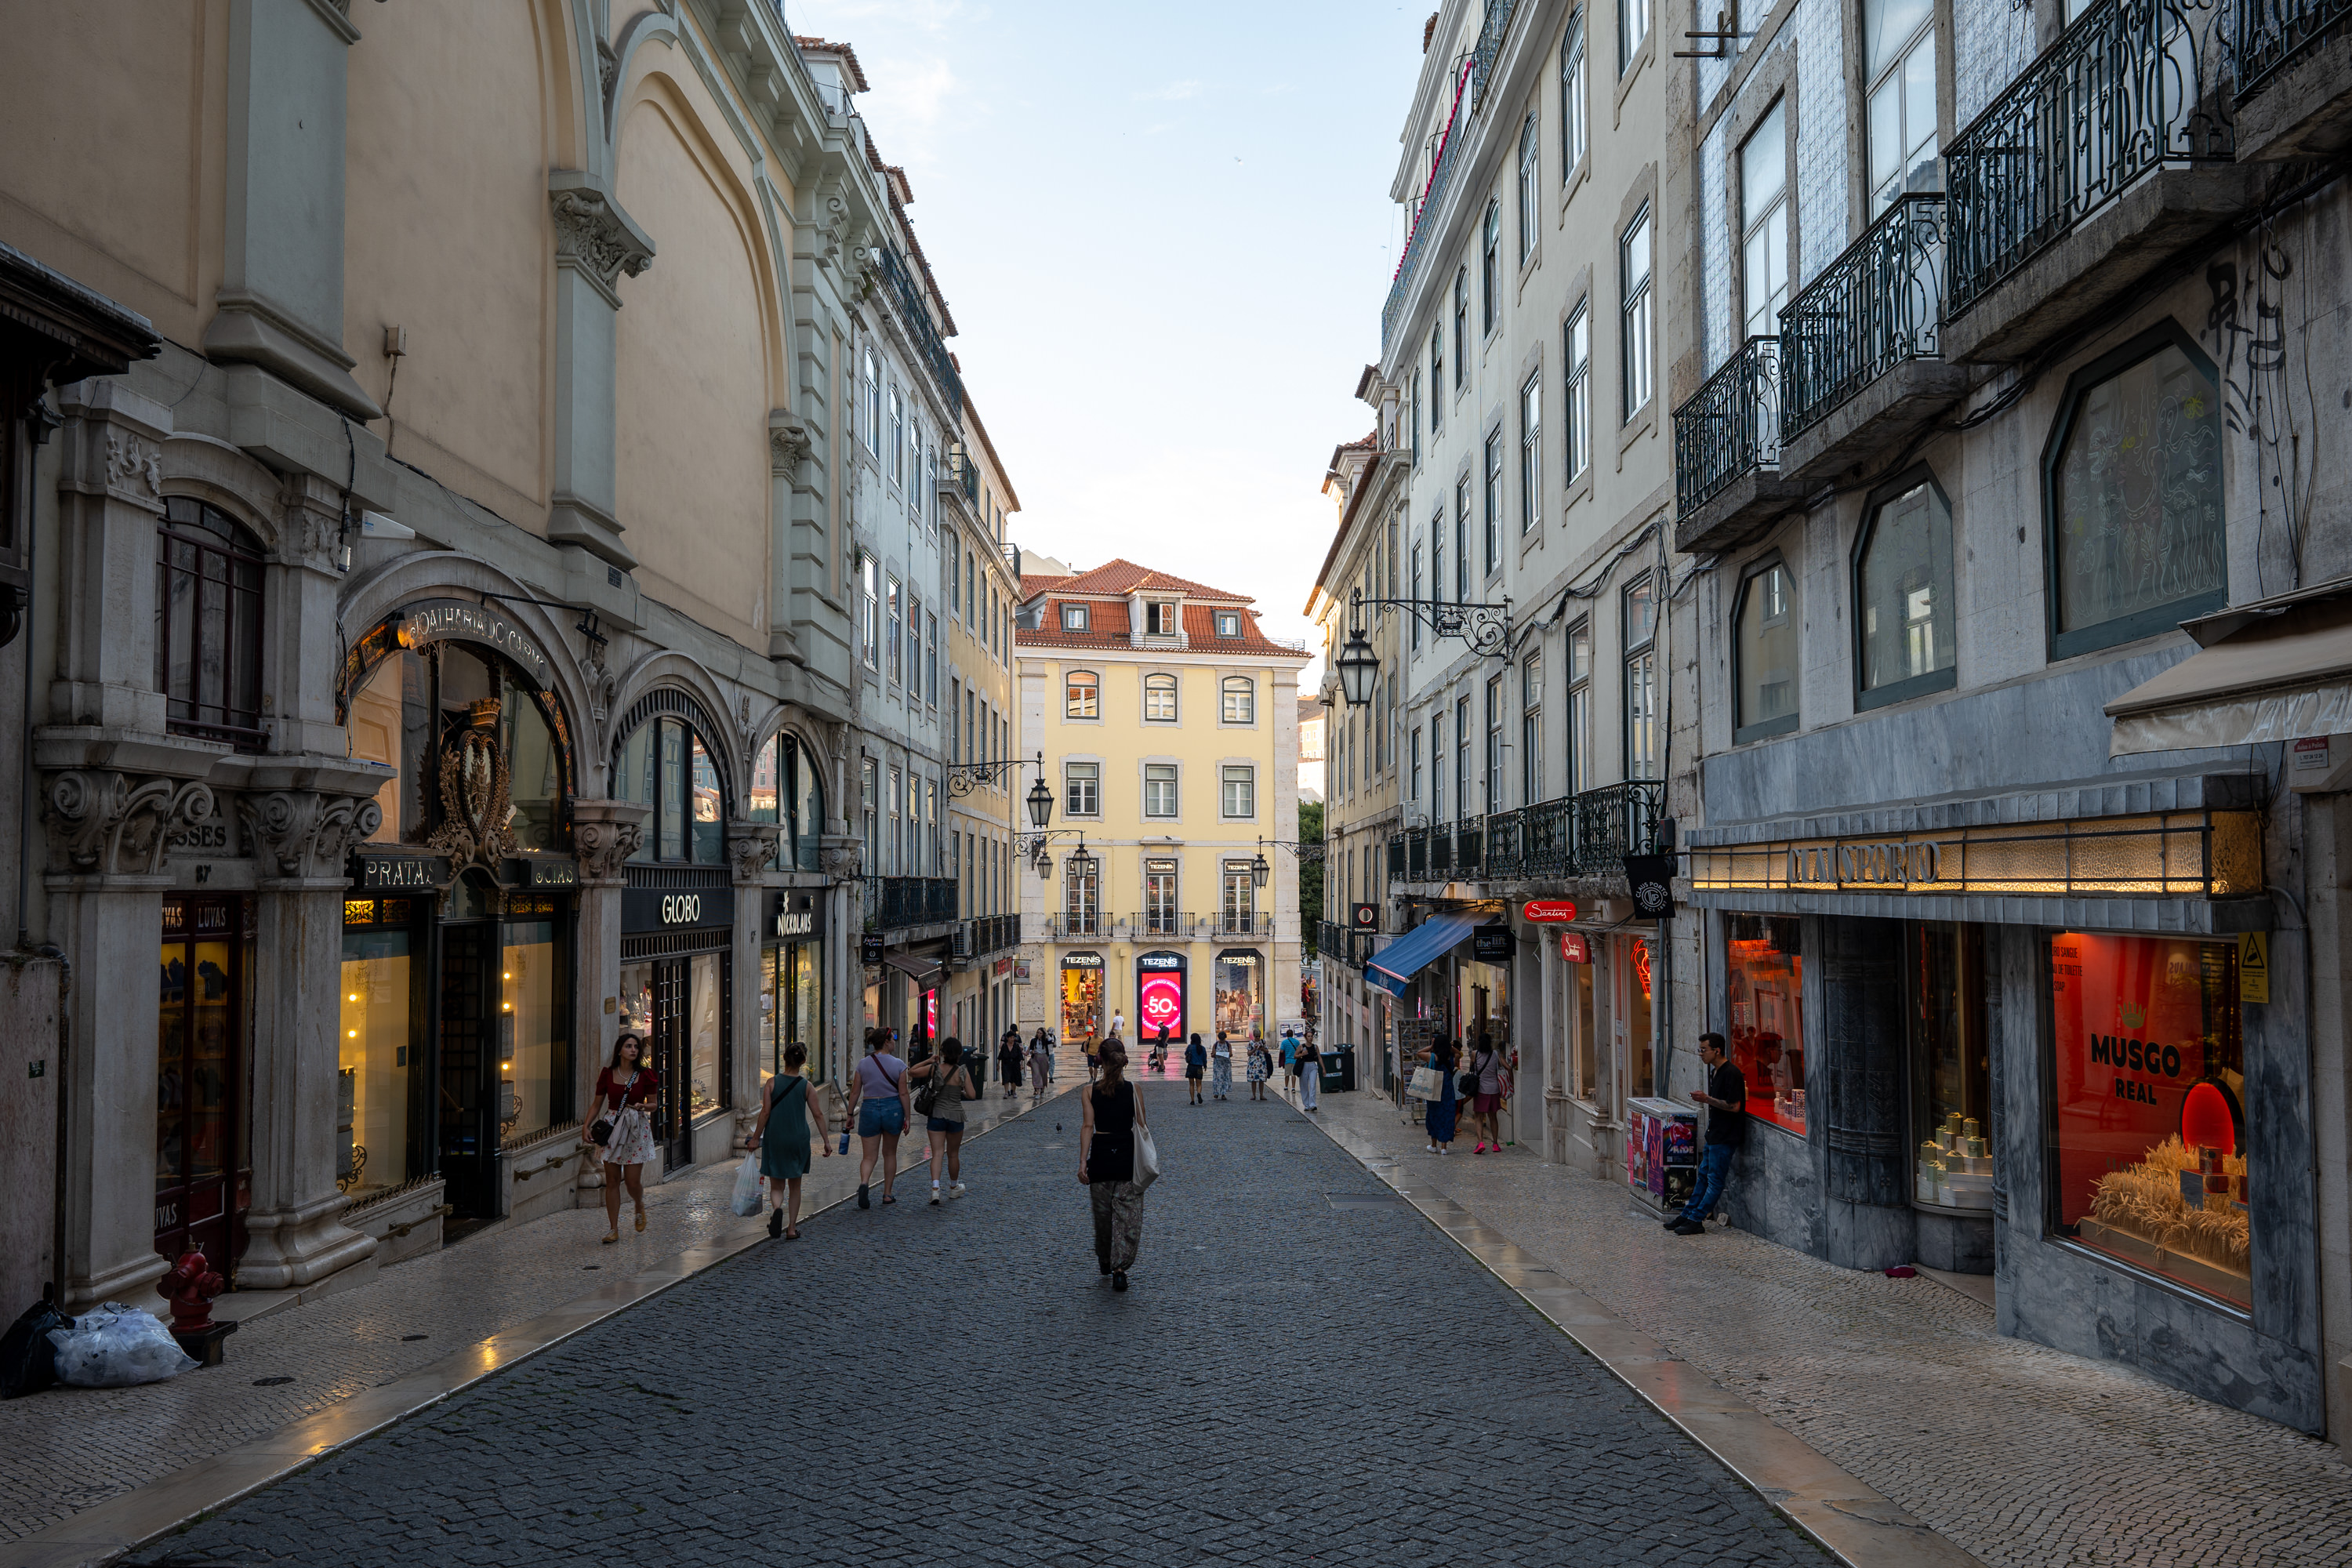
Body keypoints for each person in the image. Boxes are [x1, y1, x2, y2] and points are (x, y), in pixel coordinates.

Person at [1079, 1039, 1149, 1291]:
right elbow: (1142, 1126)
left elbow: (1088, 1127)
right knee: (1127, 1216)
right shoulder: (1134, 1089)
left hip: (1100, 1158)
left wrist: (1082, 1162)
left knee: (1103, 1217)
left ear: (1101, 1062)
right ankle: (1120, 1269)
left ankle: (1105, 1259)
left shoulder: (1089, 1091)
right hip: (1128, 1159)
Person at [581, 1033, 659, 1244]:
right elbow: (597, 1104)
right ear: (619, 1050)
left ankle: (639, 1204)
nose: (633, 1050)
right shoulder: (607, 1074)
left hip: (635, 1127)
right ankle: (613, 1229)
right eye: (628, 1046)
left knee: (632, 1182)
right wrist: (586, 1126)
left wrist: (643, 1106)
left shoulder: (646, 1075)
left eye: (636, 1047)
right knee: (612, 1181)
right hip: (613, 1129)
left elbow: (654, 1104)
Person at [748, 1043, 830, 1239]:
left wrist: (755, 1138)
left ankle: (777, 1209)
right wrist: (826, 1141)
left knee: (777, 1185)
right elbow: (818, 1114)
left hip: (775, 1137)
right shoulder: (807, 1086)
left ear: (784, 1058)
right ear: (803, 1061)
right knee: (795, 1186)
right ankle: (792, 1229)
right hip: (798, 1138)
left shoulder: (771, 1083)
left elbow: (765, 1113)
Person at [1672, 1033, 1746, 1236]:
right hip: (1714, 1134)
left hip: (1725, 1136)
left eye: (1704, 1050)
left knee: (1714, 1180)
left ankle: (1696, 1219)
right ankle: (1687, 1215)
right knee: (1703, 1177)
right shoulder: (1716, 1072)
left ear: (1717, 1050)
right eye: (1700, 1050)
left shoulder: (1731, 1073)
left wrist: (1706, 1099)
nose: (1701, 1054)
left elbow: (1734, 1106)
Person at [848, 1027, 911, 1208]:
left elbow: (855, 1092)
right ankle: (887, 1194)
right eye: (893, 1039)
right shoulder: (899, 1065)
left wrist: (850, 1114)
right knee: (889, 1154)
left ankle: (864, 1183)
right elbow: (904, 1093)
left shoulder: (862, 1065)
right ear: (886, 1042)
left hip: (869, 1108)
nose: (894, 1042)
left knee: (869, 1157)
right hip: (892, 1108)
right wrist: (907, 1117)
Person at [909, 1038, 977, 1205]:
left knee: (937, 1153)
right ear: (959, 1054)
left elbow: (912, 1072)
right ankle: (954, 1188)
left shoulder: (935, 1069)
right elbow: (972, 1095)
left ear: (943, 1053)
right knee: (953, 1154)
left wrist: (929, 1060)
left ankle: (935, 1190)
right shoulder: (962, 1071)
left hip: (937, 1116)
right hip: (956, 1117)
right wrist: (961, 1092)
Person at [1470, 1033, 1507, 1154]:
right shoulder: (1496, 1054)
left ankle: (1480, 1142)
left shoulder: (1475, 1054)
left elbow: (1472, 1068)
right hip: (1494, 1089)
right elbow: (1506, 1067)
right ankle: (1495, 1144)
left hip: (1480, 1090)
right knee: (1493, 1117)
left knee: (1479, 1117)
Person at [1425, 1037, 1458, 1154]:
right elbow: (1459, 1053)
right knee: (1446, 1117)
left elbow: (1419, 1053)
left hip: (1434, 1091)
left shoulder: (1432, 1057)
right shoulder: (1452, 1058)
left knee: (1434, 1116)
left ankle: (1434, 1145)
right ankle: (1444, 1147)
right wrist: (1450, 1047)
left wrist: (1431, 1046)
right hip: (1448, 1091)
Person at [1295, 1031, 1321, 1112]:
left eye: (1311, 1036)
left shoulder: (1315, 1047)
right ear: (1306, 1037)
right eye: (1309, 1036)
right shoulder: (1301, 1047)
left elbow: (1319, 1057)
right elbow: (1295, 1056)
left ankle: (1312, 1104)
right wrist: (1302, 1054)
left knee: (1313, 1085)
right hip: (1304, 1066)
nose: (1310, 1038)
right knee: (1304, 1086)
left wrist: (1323, 1068)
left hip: (1313, 1066)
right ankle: (1306, 1104)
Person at [997, 1029, 1025, 1101]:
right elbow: (1000, 1056)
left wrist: (1021, 1065)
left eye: (1013, 1038)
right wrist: (998, 1064)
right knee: (1006, 1078)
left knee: (1014, 1079)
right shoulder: (1004, 1046)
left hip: (1015, 1064)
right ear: (1008, 1038)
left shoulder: (1016, 1046)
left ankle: (1014, 1091)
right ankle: (1006, 1093)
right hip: (1006, 1064)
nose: (1012, 1039)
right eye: (1011, 1038)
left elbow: (1020, 1056)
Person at [1029, 1028, 1054, 1102]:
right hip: (1035, 1058)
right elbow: (1030, 1049)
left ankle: (1042, 1091)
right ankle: (1037, 1092)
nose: (1038, 1034)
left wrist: (1047, 1034)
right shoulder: (1033, 1040)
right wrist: (1032, 1051)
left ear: (1043, 1034)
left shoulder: (1046, 1040)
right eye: (1038, 1033)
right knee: (1036, 1074)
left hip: (1044, 1057)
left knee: (1043, 1074)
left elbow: (1051, 1041)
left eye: (1040, 1033)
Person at [1183, 1032, 1208, 1105]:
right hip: (1199, 1067)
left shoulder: (1190, 1047)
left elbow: (1186, 1054)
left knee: (1191, 1084)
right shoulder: (1202, 1048)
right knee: (1199, 1084)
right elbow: (1204, 1058)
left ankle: (1192, 1100)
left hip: (1191, 1067)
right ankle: (1199, 1093)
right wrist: (1205, 1065)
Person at [1246, 1034, 1272, 1101]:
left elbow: (1267, 1051)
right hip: (1253, 1063)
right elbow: (1248, 1053)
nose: (1258, 1038)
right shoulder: (1251, 1043)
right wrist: (1254, 1049)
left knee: (1261, 1079)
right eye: (1256, 1036)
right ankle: (1254, 1095)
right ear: (1254, 1036)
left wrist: (1262, 1048)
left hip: (1262, 1063)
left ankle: (1261, 1095)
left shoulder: (1263, 1042)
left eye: (1259, 1036)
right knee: (1253, 1080)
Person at [1210, 1031, 1233, 1102]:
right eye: (1221, 1040)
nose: (1222, 1041)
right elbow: (1212, 1055)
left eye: (1223, 1040)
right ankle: (1216, 1093)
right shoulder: (1216, 1044)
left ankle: (1223, 1094)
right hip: (1218, 1065)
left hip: (1226, 1065)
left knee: (1225, 1079)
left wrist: (1226, 1054)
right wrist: (1215, 1054)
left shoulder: (1228, 1044)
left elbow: (1231, 1054)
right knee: (1217, 1079)